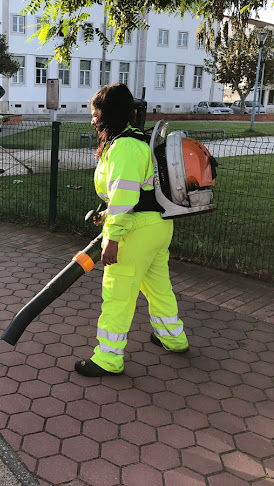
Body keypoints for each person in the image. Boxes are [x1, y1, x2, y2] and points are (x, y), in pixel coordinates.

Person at [75, 83, 189, 378]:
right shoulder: (136, 140)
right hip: (157, 226)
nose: (92, 119)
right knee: (158, 287)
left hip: (135, 230)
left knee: (117, 293)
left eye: (95, 113)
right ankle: (173, 338)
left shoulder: (125, 146)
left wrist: (112, 239)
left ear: (107, 114)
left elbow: (124, 198)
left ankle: (108, 358)